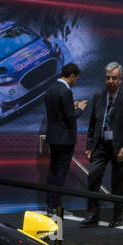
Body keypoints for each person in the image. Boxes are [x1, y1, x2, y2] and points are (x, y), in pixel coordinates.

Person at [81, 62, 123, 226]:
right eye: (108, 78)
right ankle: (92, 215)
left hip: (121, 147)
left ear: (120, 79)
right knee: (93, 176)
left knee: (117, 183)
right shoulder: (99, 96)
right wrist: (89, 146)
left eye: (114, 78)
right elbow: (92, 124)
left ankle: (117, 217)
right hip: (100, 144)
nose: (110, 81)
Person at [43, 62, 86, 212]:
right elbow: (70, 117)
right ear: (72, 76)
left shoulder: (51, 89)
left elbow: (58, 112)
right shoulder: (66, 91)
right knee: (61, 173)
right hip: (65, 139)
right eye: (76, 78)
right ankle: (56, 207)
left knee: (53, 171)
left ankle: (50, 205)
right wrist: (80, 109)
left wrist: (71, 107)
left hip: (54, 137)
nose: (76, 82)